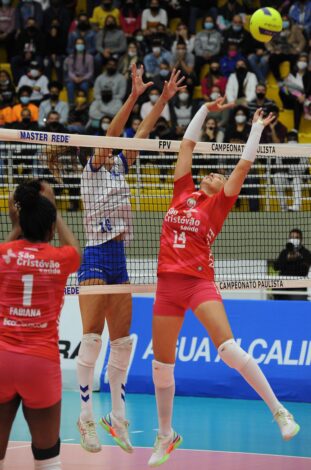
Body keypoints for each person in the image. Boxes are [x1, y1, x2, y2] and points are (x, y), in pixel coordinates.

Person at [148, 99, 300, 467]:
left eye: (220, 175)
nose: (215, 174)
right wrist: (204, 108)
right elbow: (187, 145)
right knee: (161, 366)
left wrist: (257, 127)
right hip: (166, 285)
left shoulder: (217, 206)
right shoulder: (182, 192)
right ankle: (166, 435)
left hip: (198, 282)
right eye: (213, 172)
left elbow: (244, 164)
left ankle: (279, 410)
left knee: (228, 348)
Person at [75, 65, 185, 454]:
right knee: (91, 341)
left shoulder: (121, 167)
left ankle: (116, 418)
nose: (112, 150)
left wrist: (163, 100)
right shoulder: (92, 169)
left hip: (119, 258)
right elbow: (112, 136)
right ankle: (86, 418)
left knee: (122, 343)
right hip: (94, 257)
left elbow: (140, 136)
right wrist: (134, 96)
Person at [0, 180, 80, 470]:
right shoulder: (61, 259)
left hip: (2, 358)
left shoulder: (3, 254)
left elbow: (10, 247)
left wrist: (21, 220)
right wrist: (53, 210)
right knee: (48, 457)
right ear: (49, 229)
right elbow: (74, 248)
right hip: (40, 363)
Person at [274, 130, 309, 212]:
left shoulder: (303, 149)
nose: (291, 139)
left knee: (297, 179)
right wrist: (288, 170)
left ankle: (296, 208)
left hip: (298, 178)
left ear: (297, 139)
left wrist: (289, 169)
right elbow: (278, 165)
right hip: (285, 177)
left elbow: (303, 168)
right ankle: (283, 207)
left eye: (293, 138)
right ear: (286, 139)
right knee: (276, 177)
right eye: (290, 138)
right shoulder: (281, 149)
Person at [274, 228, 311, 300]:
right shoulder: (284, 252)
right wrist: (287, 259)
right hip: (283, 284)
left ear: (301, 239)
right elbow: (276, 266)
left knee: (298, 304)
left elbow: (304, 271)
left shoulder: (306, 253)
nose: (294, 239)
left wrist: (298, 258)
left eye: (296, 238)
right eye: (291, 237)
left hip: (298, 285)